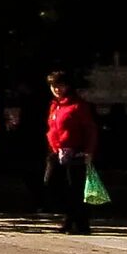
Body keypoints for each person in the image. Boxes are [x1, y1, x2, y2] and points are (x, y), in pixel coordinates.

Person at [45, 71, 98, 235]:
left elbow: (90, 129)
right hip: (58, 151)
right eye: (54, 86)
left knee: (75, 189)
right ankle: (70, 219)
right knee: (52, 183)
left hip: (76, 151)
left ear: (67, 86)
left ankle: (78, 224)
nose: (57, 89)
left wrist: (89, 151)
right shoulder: (55, 105)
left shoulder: (78, 105)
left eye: (60, 85)